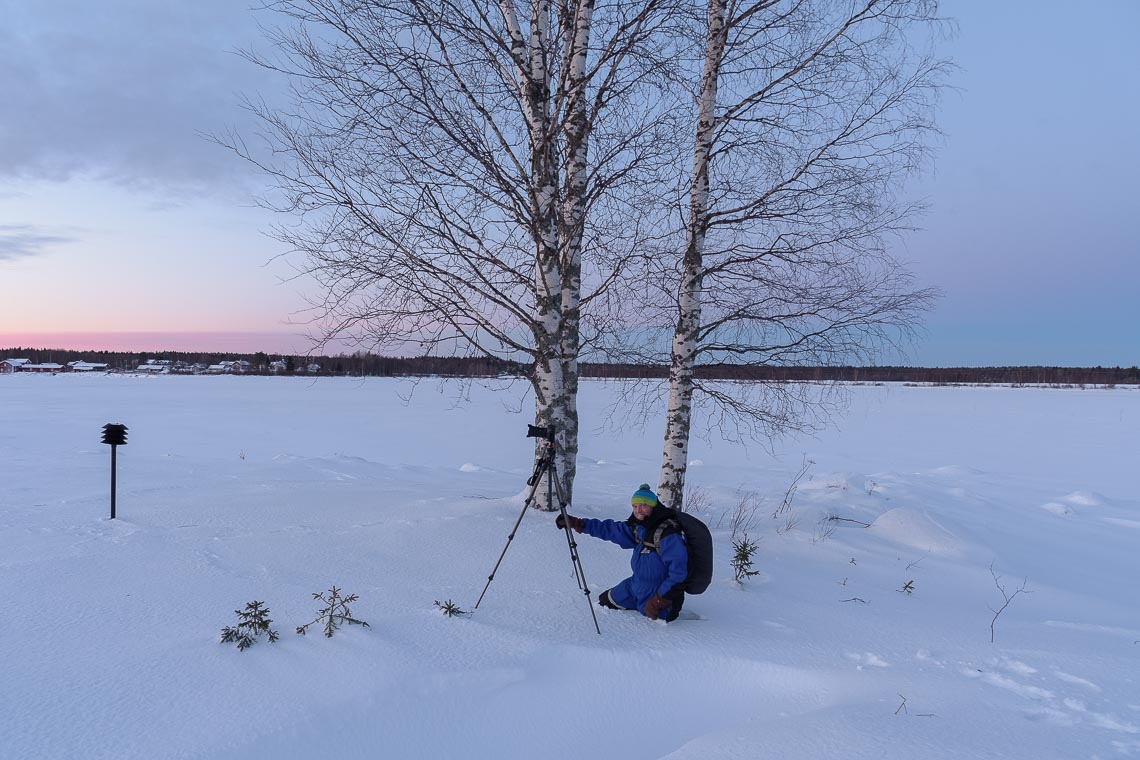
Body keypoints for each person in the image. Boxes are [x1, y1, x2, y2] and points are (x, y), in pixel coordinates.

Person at [556, 484, 688, 622]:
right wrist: (578, 523)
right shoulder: (639, 528)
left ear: (653, 506)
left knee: (650, 624)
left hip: (657, 596)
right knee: (603, 601)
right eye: (635, 506)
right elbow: (610, 530)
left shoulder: (668, 535)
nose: (638, 510)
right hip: (634, 586)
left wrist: (661, 599)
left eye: (643, 505)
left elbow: (679, 573)